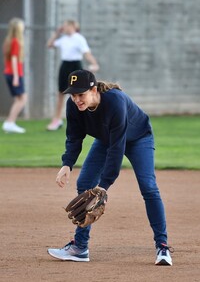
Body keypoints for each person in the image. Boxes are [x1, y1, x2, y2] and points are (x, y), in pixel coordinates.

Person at [47, 70, 173, 265]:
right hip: (107, 139)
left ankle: (162, 246)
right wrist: (67, 164)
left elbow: (117, 149)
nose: (76, 99)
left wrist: (104, 185)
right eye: (73, 95)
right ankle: (80, 248)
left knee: (148, 187)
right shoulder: (73, 107)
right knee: (85, 183)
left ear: (94, 90)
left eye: (81, 94)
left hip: (138, 138)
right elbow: (74, 137)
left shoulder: (115, 102)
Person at [46, 20, 99, 131]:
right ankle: (57, 120)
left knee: (80, 93)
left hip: (75, 65)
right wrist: (57, 33)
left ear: (72, 26)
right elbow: (49, 45)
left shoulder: (79, 38)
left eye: (65, 26)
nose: (64, 28)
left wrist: (94, 63)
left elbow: (86, 53)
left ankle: (82, 119)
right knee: (61, 93)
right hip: (65, 65)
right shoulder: (63, 39)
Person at [2, 18, 27, 133]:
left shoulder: (8, 41)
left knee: (18, 99)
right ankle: (10, 122)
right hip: (14, 73)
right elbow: (14, 58)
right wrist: (16, 76)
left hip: (9, 73)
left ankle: (10, 123)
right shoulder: (16, 41)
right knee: (22, 99)